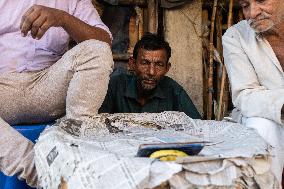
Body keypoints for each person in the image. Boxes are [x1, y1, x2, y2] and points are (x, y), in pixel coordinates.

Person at [0, 0, 114, 187]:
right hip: (3, 86)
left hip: (49, 85)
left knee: (97, 49)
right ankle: (46, 173)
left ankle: (77, 149)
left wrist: (62, 18)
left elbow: (104, 41)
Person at [222, 0, 284, 185]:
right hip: (271, 120)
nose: (252, 12)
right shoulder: (235, 36)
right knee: (261, 125)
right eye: (245, 5)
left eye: (262, 1)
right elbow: (245, 95)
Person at [99, 33, 201, 119]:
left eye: (159, 65)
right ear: (132, 64)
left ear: (167, 68)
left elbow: (198, 127)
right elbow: (96, 125)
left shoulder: (174, 91)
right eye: (144, 63)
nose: (151, 72)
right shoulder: (115, 86)